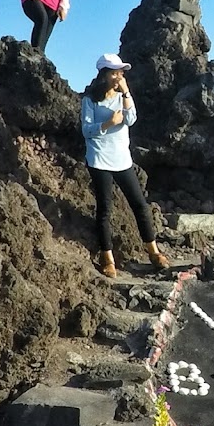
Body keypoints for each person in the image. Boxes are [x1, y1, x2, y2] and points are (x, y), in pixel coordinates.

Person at [80, 53, 169, 278]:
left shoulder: (123, 96)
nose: (119, 76)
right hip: (99, 158)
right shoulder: (90, 99)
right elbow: (86, 130)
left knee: (140, 204)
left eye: (121, 72)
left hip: (122, 159)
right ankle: (107, 257)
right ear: (104, 74)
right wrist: (108, 123)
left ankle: (153, 251)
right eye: (115, 72)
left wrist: (126, 92)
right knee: (105, 209)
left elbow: (131, 119)